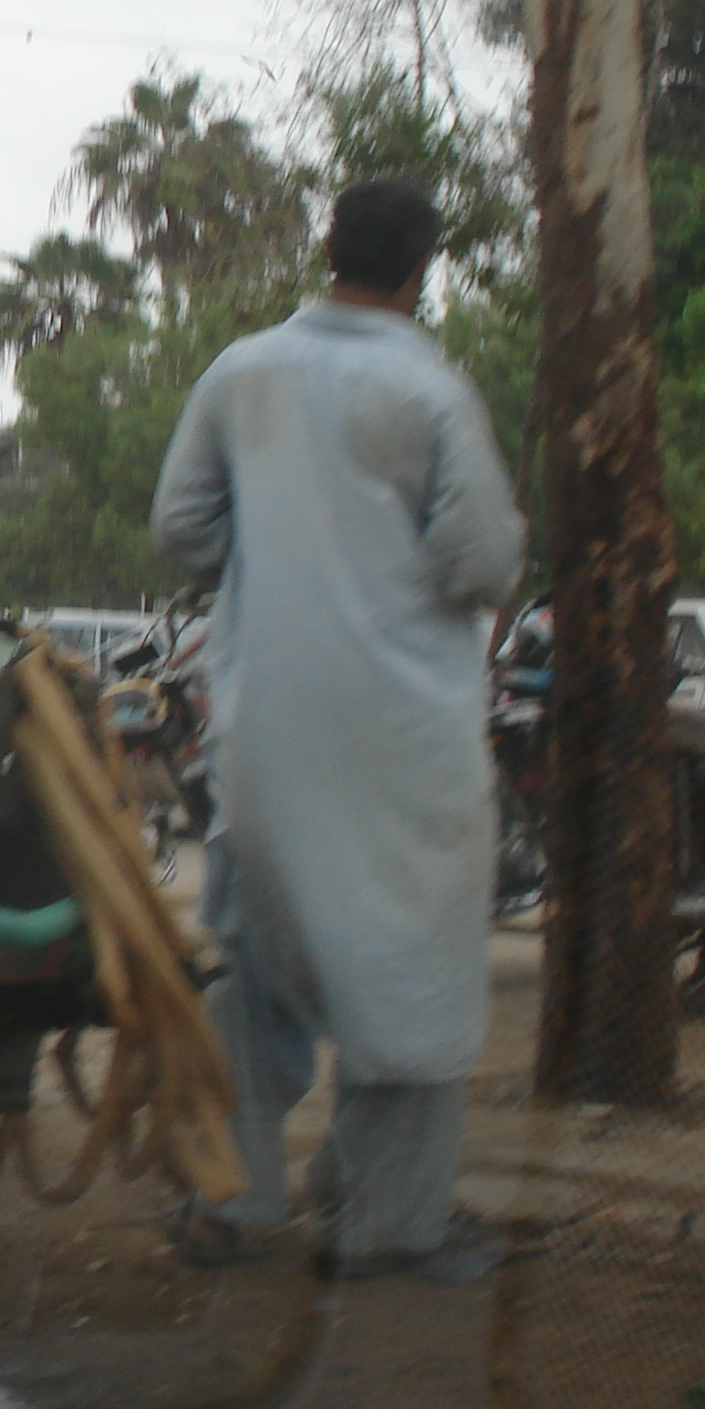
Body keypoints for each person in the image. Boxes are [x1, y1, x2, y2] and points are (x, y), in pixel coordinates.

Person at [150, 179, 526, 1284]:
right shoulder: (430, 388)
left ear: (326, 250)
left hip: (263, 732)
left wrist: (280, 571)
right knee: (412, 970)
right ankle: (387, 1226)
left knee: (255, 963)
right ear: (422, 269)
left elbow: (180, 527)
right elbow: (481, 563)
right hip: (404, 742)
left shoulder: (239, 371)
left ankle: (232, 1201)